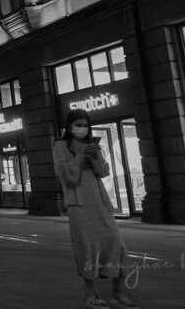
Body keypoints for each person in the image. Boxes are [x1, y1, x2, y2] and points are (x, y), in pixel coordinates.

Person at [54, 110, 137, 309]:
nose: (82, 128)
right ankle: (92, 295)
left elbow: (104, 171)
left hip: (99, 201)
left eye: (85, 124)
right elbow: (65, 174)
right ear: (70, 125)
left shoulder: (92, 145)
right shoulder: (61, 145)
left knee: (116, 243)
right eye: (78, 124)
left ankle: (118, 293)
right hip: (79, 204)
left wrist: (95, 157)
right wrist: (81, 156)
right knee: (86, 248)